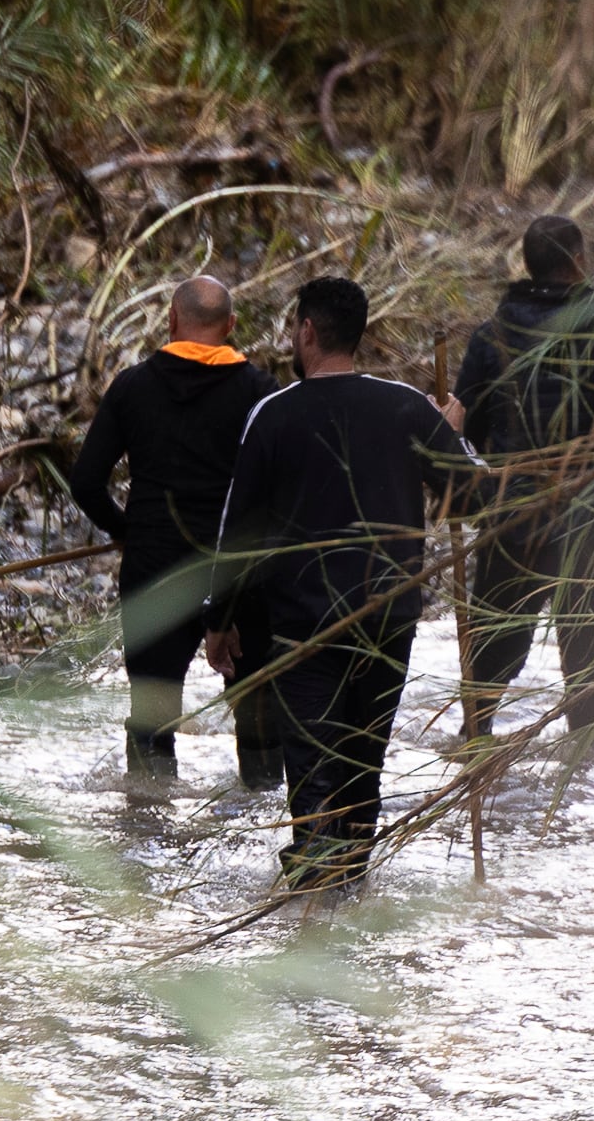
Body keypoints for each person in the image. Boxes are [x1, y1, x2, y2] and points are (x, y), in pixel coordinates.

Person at [202, 276, 472, 888]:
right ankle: (347, 890)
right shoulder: (406, 407)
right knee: (362, 765)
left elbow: (237, 534)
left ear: (307, 332)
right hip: (388, 618)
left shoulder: (272, 415)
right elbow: (474, 489)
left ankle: (316, 901)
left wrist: (218, 622)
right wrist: (451, 433)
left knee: (315, 766)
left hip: (306, 625)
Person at [449, 215, 594, 738]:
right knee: (589, 656)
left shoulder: (490, 338)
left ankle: (474, 754)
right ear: (579, 263)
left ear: (526, 265)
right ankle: (586, 761)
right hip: (590, 516)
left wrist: (477, 491)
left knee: (493, 650)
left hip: (511, 514)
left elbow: (466, 432)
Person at [62, 276, 278, 793]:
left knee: (152, 714)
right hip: (236, 571)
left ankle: (147, 837)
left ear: (172, 320)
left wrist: (128, 531)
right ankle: (260, 819)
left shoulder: (133, 386)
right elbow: (275, 496)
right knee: (256, 710)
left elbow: (86, 483)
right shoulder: (260, 392)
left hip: (154, 565)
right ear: (230, 327)